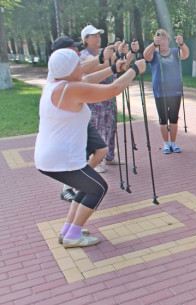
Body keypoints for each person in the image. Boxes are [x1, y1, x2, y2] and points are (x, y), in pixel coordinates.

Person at [35, 49, 145, 248]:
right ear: (68, 70)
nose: (81, 67)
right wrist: (135, 70)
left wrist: (113, 68)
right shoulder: (68, 90)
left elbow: (87, 79)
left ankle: (68, 230)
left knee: (88, 187)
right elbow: (113, 90)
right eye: (77, 64)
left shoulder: (57, 84)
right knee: (98, 188)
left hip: (53, 157)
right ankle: (72, 236)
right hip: (60, 159)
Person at [50, 36, 108, 202]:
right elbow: (87, 75)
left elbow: (88, 77)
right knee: (76, 156)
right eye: (73, 50)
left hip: (80, 119)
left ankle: (77, 183)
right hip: (67, 123)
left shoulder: (71, 67)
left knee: (101, 150)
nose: (77, 52)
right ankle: (69, 186)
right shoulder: (59, 72)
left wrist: (113, 65)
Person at [80, 24, 136, 170]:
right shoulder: (85, 55)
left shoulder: (103, 51)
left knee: (111, 126)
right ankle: (94, 160)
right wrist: (113, 56)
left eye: (99, 35)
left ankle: (109, 156)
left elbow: (119, 64)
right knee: (96, 128)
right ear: (86, 39)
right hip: (94, 98)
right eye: (94, 36)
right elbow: (96, 66)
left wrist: (124, 53)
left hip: (108, 95)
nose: (98, 38)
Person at [143, 29, 190, 154]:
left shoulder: (174, 52)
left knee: (173, 118)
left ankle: (173, 142)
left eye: (164, 39)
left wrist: (182, 44)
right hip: (160, 91)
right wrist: (153, 44)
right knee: (163, 119)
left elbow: (185, 54)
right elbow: (145, 55)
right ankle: (166, 143)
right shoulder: (154, 53)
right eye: (159, 39)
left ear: (169, 40)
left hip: (175, 90)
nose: (162, 41)